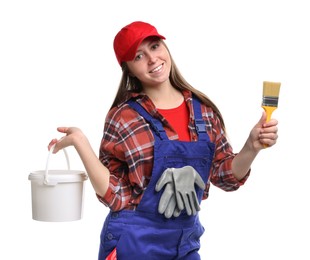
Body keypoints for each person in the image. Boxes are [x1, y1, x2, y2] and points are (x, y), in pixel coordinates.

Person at [48, 21, 278, 260]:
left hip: (185, 244)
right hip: (134, 243)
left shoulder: (204, 111)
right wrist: (81, 143)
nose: (152, 59)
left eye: (155, 46)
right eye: (138, 56)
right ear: (127, 68)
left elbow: (225, 177)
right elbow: (116, 196)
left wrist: (252, 147)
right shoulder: (124, 117)